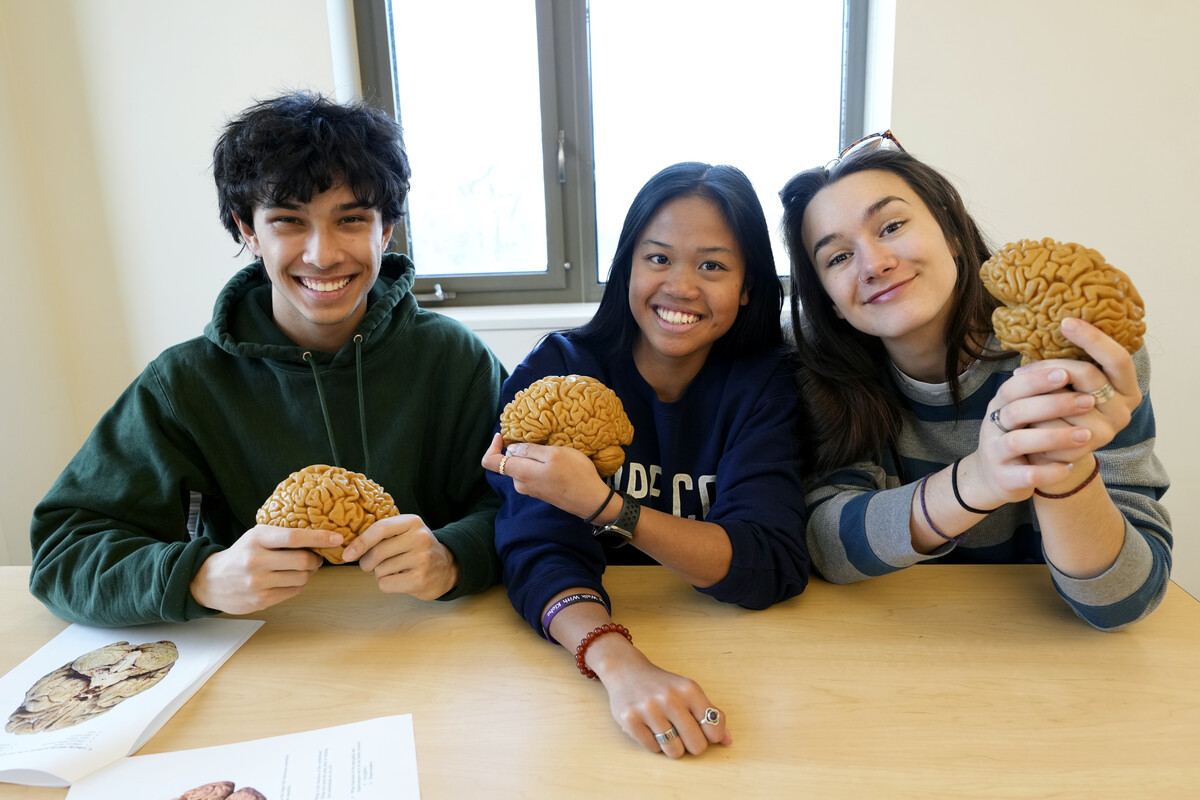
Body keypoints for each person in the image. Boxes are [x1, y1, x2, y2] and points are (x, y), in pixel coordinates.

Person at [30, 92, 506, 627]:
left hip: (434, 640)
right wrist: (199, 576)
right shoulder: (185, 382)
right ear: (248, 231)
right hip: (263, 651)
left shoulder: (454, 360)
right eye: (288, 221)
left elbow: (523, 508)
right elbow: (62, 552)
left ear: (386, 230)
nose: (322, 255)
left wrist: (452, 555)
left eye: (350, 220)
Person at [481, 162, 810, 758]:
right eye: (658, 258)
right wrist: (618, 661)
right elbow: (538, 551)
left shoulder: (768, 384)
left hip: (750, 649)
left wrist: (608, 507)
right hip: (567, 659)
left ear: (749, 287)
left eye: (712, 265)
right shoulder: (556, 373)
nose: (680, 286)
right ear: (626, 267)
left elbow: (770, 561)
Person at [779, 132, 1172, 631]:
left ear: (952, 233)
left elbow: (1123, 601)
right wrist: (981, 478)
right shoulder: (825, 376)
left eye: (892, 225)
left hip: (1042, 646)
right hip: (895, 634)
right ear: (830, 301)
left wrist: (1062, 459)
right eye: (837, 257)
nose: (874, 263)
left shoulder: (1084, 354)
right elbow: (828, 547)